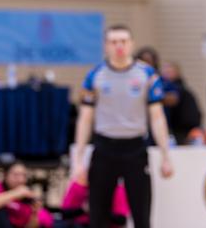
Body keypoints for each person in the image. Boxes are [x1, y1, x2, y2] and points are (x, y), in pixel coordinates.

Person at [73, 25, 173, 228]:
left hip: (135, 149)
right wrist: (78, 160)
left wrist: (166, 156)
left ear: (131, 44)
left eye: (123, 41)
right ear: (106, 46)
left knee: (141, 216)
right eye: (113, 42)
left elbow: (157, 118)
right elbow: (85, 119)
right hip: (104, 149)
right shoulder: (95, 76)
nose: (119, 46)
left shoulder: (147, 75)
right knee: (97, 217)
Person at [0, 162, 53, 228]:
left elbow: (47, 220)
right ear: (6, 175)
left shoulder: (28, 198)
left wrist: (34, 214)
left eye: (24, 175)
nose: (20, 179)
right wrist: (16, 193)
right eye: (16, 175)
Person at [159, 62, 206, 145]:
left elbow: (173, 100)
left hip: (184, 128)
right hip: (174, 127)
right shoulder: (162, 86)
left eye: (170, 71)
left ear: (177, 73)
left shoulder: (180, 88)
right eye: (165, 71)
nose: (167, 74)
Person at [61, 169, 129, 228]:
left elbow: (121, 220)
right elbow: (64, 214)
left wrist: (100, 211)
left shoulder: (117, 190)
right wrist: (83, 209)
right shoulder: (77, 187)